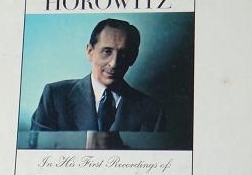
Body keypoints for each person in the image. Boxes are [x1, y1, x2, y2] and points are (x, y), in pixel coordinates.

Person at [30, 19, 166, 133]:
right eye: (107, 51)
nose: (114, 63)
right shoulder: (55, 97)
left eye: (123, 54)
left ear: (133, 58)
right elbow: (38, 152)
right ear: (90, 51)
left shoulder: (152, 111)